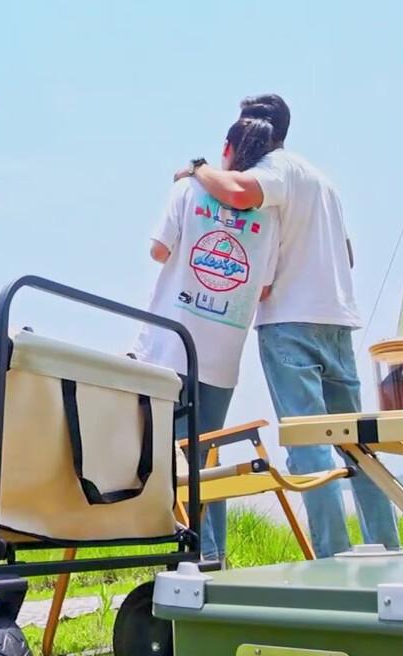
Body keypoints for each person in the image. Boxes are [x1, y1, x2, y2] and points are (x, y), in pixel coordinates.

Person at [180, 93, 400, 557]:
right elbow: (349, 254)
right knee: (357, 444)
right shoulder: (324, 182)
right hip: (338, 321)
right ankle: (387, 550)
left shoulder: (277, 169)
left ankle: (333, 559)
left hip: (291, 324)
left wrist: (198, 169)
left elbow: (238, 192)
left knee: (309, 444)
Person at [133, 117, 280, 564]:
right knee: (207, 454)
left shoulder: (187, 190)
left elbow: (158, 250)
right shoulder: (270, 215)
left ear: (228, 148)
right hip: (223, 354)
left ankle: (187, 563)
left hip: (171, 346)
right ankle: (213, 557)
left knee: (171, 459)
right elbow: (267, 286)